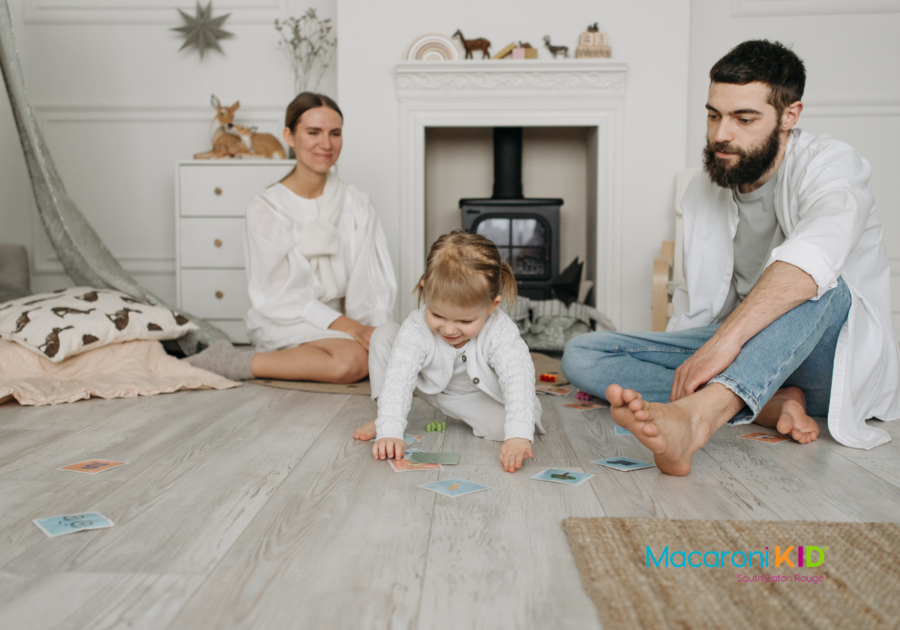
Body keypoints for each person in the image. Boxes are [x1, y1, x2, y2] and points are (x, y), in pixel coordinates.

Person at [562, 40, 900, 476]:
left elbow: (815, 258)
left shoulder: (833, 166)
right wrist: (708, 347)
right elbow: (699, 307)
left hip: (826, 363)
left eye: (744, 119)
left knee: (824, 287)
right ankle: (764, 401)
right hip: (748, 350)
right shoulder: (706, 188)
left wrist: (724, 343)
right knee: (583, 354)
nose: (722, 134)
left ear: (789, 116)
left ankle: (699, 416)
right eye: (713, 115)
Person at [186, 92, 397, 382]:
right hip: (287, 317)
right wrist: (352, 330)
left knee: (392, 350)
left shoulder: (357, 203)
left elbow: (370, 284)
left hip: (346, 323)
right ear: (289, 135)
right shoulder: (266, 209)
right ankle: (234, 361)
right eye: (313, 132)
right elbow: (280, 297)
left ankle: (327, 353)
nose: (326, 144)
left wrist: (375, 332)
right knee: (350, 363)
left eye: (335, 133)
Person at [352, 230, 545, 473]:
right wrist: (390, 430)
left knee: (505, 429)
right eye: (437, 315)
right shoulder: (417, 326)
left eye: (464, 321)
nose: (449, 329)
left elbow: (518, 377)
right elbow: (400, 376)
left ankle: (517, 425)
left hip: (472, 398)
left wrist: (518, 435)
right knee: (384, 335)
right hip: (426, 383)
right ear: (425, 290)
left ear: (491, 306)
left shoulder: (501, 331)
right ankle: (384, 415)